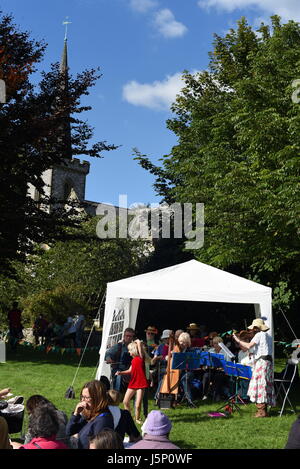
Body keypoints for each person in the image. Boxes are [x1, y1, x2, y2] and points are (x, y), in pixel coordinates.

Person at [232, 318, 275, 417]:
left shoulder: (259, 335)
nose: (250, 331)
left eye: (252, 329)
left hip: (262, 362)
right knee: (264, 384)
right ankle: (263, 410)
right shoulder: (268, 336)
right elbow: (260, 349)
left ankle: (261, 411)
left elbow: (248, 346)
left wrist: (238, 340)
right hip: (268, 362)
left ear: (256, 328)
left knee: (259, 384)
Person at [66, 380, 114, 449]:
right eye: (82, 396)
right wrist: (76, 414)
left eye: (87, 398)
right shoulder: (88, 414)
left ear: (98, 398)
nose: (83, 400)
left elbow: (99, 446)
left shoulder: (103, 421)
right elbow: (69, 432)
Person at [116, 339, 149, 425]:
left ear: (134, 350)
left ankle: (137, 418)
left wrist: (138, 342)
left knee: (138, 404)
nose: (129, 352)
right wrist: (120, 372)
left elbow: (140, 351)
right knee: (125, 401)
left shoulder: (141, 358)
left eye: (130, 350)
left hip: (141, 383)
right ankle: (128, 416)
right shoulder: (133, 360)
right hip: (133, 383)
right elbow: (130, 370)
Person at [105, 328, 135, 392]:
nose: (128, 338)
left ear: (133, 337)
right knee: (118, 374)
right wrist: (108, 358)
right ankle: (116, 393)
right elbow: (108, 353)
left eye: (130, 336)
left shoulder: (135, 347)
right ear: (124, 336)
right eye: (127, 336)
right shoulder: (119, 346)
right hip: (119, 368)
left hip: (131, 369)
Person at [152, 329, 172, 401]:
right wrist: (156, 358)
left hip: (172, 366)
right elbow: (154, 358)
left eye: (168, 338)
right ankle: (158, 395)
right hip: (162, 365)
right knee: (164, 375)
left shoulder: (174, 346)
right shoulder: (160, 347)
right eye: (165, 338)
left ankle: (159, 395)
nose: (166, 340)